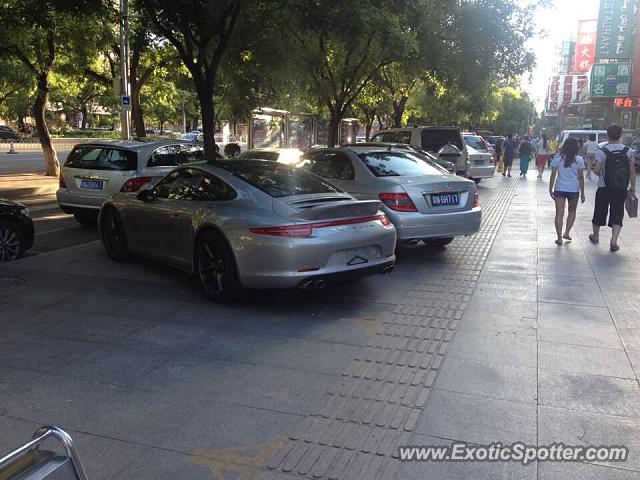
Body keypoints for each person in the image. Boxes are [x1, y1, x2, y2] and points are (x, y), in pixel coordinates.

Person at [589, 124, 637, 252]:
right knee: (617, 212)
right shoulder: (628, 151)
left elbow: (597, 170)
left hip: (604, 187)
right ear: (621, 135)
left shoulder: (601, 151)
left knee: (599, 211)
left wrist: (604, 176)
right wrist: (632, 186)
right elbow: (632, 171)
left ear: (607, 135)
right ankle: (614, 240)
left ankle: (596, 235)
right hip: (621, 188)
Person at [549, 137, 586, 245]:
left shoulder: (557, 158)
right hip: (573, 190)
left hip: (560, 188)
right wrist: (582, 193)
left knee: (559, 213)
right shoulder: (579, 160)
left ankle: (559, 237)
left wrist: (550, 188)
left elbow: (553, 175)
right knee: (572, 211)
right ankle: (567, 232)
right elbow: (581, 177)